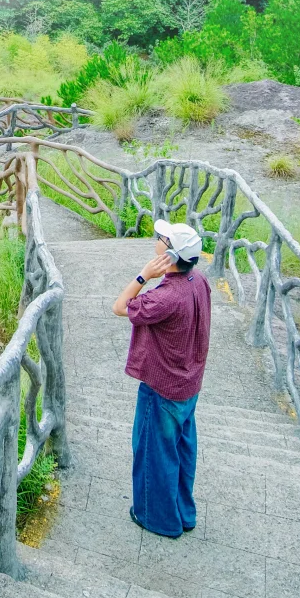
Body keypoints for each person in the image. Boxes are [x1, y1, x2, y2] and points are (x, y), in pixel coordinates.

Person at [111, 219, 211, 539]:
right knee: (182, 451)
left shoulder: (164, 298)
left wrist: (144, 275)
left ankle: (157, 518)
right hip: (189, 384)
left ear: (169, 255)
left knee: (153, 452)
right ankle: (183, 513)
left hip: (162, 386)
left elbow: (119, 307)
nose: (155, 241)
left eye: (160, 239)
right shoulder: (200, 283)